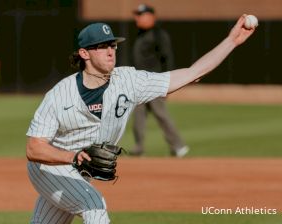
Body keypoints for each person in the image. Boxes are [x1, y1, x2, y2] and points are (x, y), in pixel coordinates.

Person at [26, 15, 255, 223]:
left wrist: (231, 41)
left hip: (80, 173)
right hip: (50, 168)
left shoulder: (128, 81)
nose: (110, 51)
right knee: (95, 208)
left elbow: (191, 73)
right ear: (84, 53)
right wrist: (72, 157)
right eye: (102, 46)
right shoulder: (59, 95)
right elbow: (34, 148)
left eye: (112, 45)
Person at [131, 4, 188, 157]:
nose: (137, 18)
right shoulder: (140, 34)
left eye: (140, 14)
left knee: (161, 114)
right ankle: (139, 147)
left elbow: (167, 58)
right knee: (138, 116)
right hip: (139, 82)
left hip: (155, 82)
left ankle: (178, 146)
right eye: (137, 14)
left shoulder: (158, 35)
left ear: (151, 17)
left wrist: (168, 83)